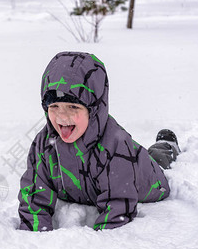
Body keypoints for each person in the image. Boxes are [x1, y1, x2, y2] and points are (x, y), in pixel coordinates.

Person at [18, 51, 180, 231]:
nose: (62, 116)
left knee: (155, 159)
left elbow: (118, 209)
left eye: (73, 107)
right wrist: (35, 236)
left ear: (94, 108)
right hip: (87, 190)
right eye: (54, 106)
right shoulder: (44, 144)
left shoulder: (115, 147)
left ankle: (167, 146)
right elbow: (33, 197)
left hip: (144, 178)